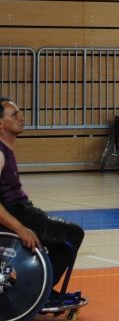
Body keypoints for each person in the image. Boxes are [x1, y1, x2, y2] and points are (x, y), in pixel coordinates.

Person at [0, 96, 86, 306]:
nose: (21, 117)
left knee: (62, 235)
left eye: (20, 112)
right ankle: (38, 293)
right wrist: (21, 229)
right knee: (72, 235)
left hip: (22, 211)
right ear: (1, 123)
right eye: (14, 115)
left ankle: (38, 289)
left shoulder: (6, 149)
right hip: (16, 215)